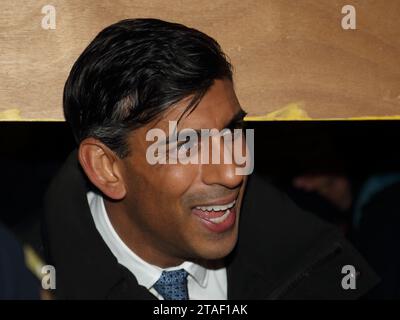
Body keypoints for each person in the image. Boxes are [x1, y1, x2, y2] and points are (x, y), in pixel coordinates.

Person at [42, 18, 378, 299]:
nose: (233, 172)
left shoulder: (315, 263)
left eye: (232, 130)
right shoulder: (26, 280)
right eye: (187, 144)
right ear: (107, 168)